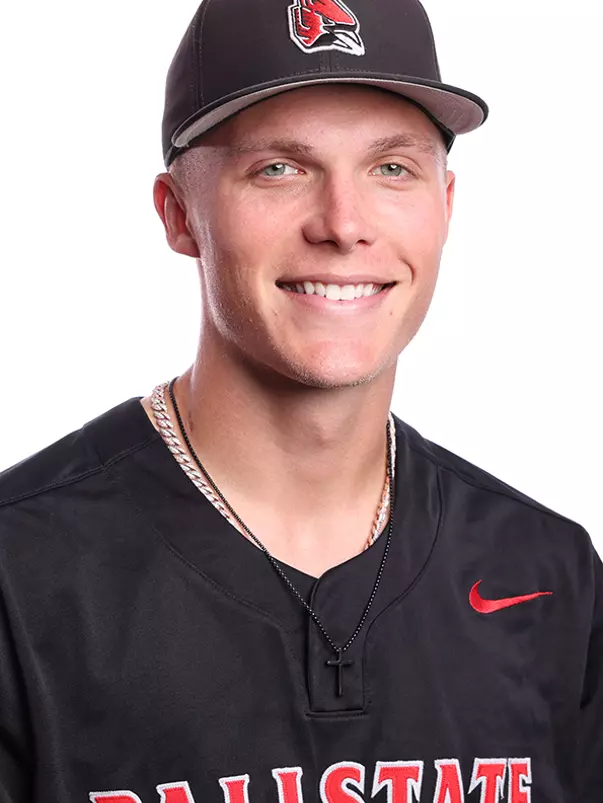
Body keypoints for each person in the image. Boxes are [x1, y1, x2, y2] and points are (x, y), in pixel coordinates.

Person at [0, 0, 601, 800]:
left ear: (445, 205)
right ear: (179, 214)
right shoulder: (22, 573)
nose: (343, 224)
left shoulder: (545, 569)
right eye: (279, 168)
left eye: (391, 168)